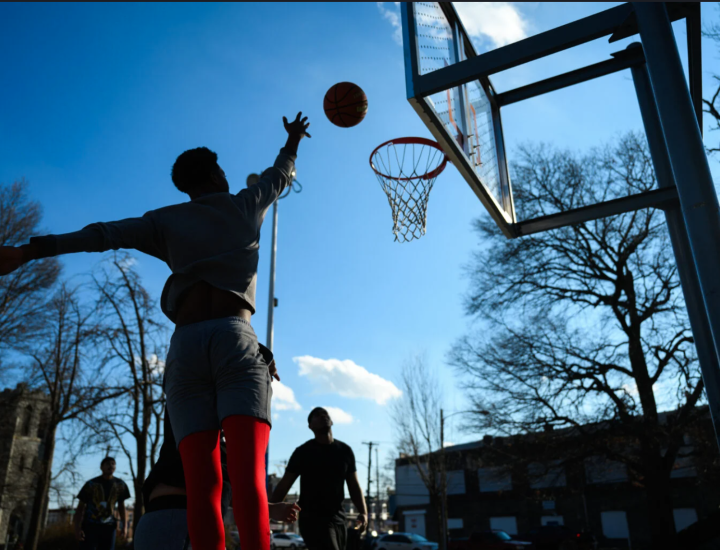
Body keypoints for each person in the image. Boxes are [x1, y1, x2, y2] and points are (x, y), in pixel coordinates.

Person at [0, 112, 311, 550]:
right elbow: (281, 173)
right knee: (246, 482)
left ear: (186, 186)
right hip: (232, 336)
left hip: (184, 348)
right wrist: (294, 139)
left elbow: (101, 235)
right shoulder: (244, 203)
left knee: (202, 490)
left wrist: (30, 250)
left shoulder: (165, 220)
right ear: (217, 174)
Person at [135, 397, 300, 550]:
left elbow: (222, 490)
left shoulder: (226, 450)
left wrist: (269, 509)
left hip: (192, 523)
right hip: (174, 515)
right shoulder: (189, 420)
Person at [271, 408, 368, 550]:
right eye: (316, 415)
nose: (322, 416)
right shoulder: (303, 452)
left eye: (325, 414)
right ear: (310, 426)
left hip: (339, 518)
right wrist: (268, 511)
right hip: (312, 519)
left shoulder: (345, 451)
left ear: (332, 421)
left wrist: (364, 512)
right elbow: (284, 485)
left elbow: (354, 486)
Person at [74, 457, 131, 550]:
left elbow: (122, 507)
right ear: (101, 467)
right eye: (108, 464)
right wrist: (77, 528)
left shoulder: (120, 485)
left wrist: (124, 527)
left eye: (113, 464)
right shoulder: (91, 484)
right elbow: (80, 508)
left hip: (109, 527)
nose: (111, 466)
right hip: (90, 526)